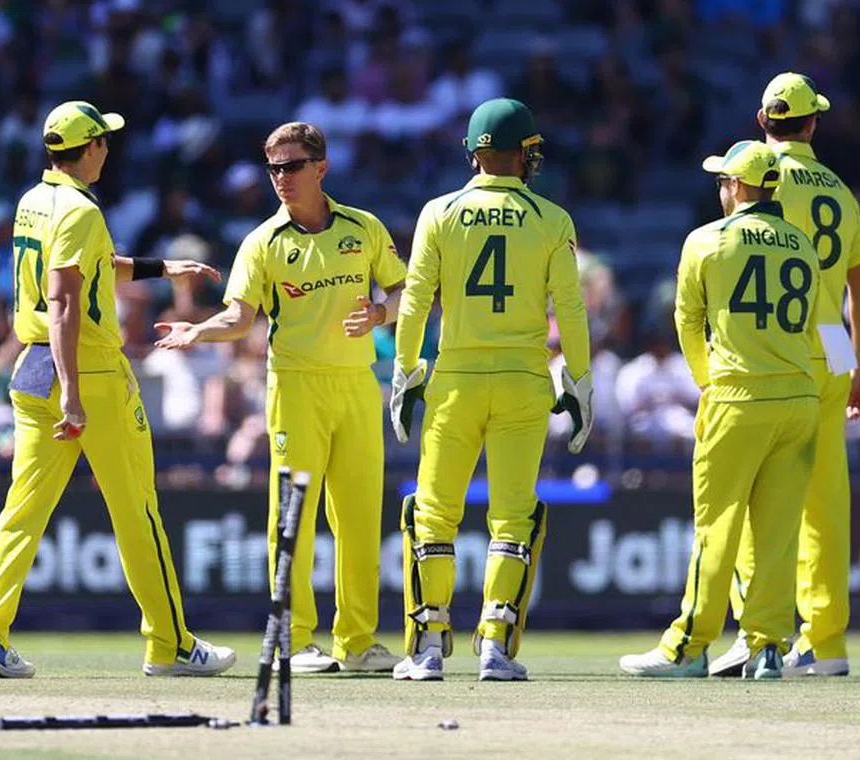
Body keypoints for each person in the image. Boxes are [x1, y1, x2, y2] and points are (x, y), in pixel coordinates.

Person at [0, 101, 233, 679]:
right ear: (87, 150)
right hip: (87, 374)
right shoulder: (81, 209)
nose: (108, 148)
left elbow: (92, 271)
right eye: (103, 140)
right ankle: (171, 644)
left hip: (32, 366)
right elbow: (63, 302)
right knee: (138, 512)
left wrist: (164, 267)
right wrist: (73, 393)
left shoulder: (34, 201)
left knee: (21, 512)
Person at [154, 122, 407, 674]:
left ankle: (359, 643)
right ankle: (294, 639)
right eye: (273, 169)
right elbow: (240, 316)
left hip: (357, 386)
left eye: (292, 167)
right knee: (291, 518)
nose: (281, 179)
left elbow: (402, 285)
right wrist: (200, 332)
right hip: (294, 388)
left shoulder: (363, 229)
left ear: (321, 167)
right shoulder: (263, 242)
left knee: (361, 519)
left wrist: (382, 312)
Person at [388, 98, 593, 682]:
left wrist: (405, 371)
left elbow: (417, 299)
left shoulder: (439, 211)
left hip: (454, 380)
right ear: (520, 153)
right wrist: (578, 383)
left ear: (475, 153)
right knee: (513, 519)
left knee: (432, 514)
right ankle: (496, 647)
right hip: (525, 382)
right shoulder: (553, 219)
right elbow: (571, 311)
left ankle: (427, 647)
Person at [619, 140, 821, 679]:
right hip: (801, 399)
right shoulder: (801, 242)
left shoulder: (706, 241)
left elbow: (687, 322)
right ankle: (769, 647)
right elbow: (823, 324)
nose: (720, 190)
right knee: (778, 535)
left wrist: (708, 382)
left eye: (723, 182)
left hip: (739, 396)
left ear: (737, 186)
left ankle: (689, 646)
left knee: (717, 526)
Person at [709, 74, 860, 678]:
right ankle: (826, 642)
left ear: (763, 122)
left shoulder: (751, 176)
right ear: (813, 124)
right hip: (831, 344)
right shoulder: (838, 188)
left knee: (756, 496)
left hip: (771, 349)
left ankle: (760, 636)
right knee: (826, 500)